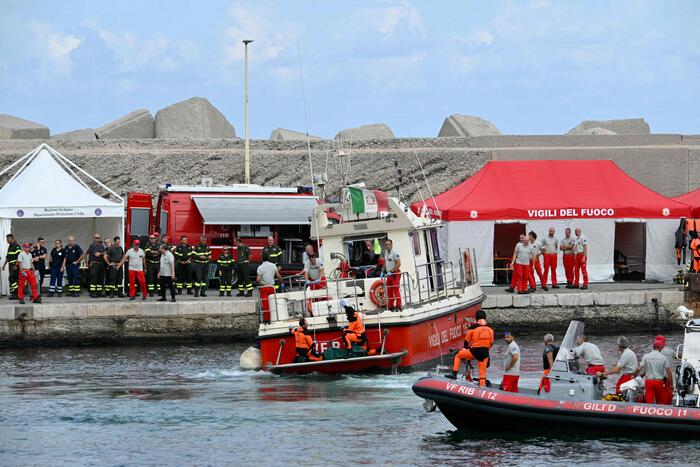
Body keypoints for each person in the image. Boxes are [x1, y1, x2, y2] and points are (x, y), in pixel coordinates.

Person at [447, 310, 494, 387]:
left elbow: (466, 342)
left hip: (475, 351)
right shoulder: (490, 329)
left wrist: (466, 349)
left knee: (457, 355)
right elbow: (491, 343)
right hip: (485, 352)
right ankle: (482, 386)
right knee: (482, 373)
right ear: (485, 318)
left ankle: (454, 374)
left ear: (476, 318)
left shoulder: (472, 328)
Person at [636, 335, 673, 405]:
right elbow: (669, 373)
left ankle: (648, 413)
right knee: (661, 402)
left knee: (649, 402)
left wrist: (634, 375)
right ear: (660, 347)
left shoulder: (646, 356)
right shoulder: (663, 357)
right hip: (659, 382)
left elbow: (639, 368)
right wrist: (671, 385)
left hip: (649, 382)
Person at [257, 252, 283, 324]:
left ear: (262, 258)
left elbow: (258, 280)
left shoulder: (260, 267)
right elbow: (278, 276)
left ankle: (267, 320)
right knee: (273, 303)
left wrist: (263, 283)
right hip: (272, 287)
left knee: (266, 305)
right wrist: (281, 281)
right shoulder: (273, 266)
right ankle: (275, 318)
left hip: (264, 288)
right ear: (268, 258)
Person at [382, 238, 402, 311]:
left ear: (392, 245)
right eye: (386, 245)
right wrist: (382, 272)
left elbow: (398, 263)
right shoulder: (386, 252)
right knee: (389, 290)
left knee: (396, 290)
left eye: (389, 245)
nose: (387, 246)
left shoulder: (395, 253)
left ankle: (398, 306)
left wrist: (391, 271)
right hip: (389, 274)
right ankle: (390, 306)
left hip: (395, 274)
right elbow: (385, 263)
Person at [86, 234, 106, 298]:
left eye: (99, 238)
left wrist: (101, 253)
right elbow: (96, 254)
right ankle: (92, 292)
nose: (98, 239)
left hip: (101, 264)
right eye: (96, 238)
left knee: (100, 279)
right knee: (94, 279)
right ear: (94, 238)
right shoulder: (92, 246)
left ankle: (99, 292)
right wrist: (101, 253)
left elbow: (105, 253)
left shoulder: (101, 245)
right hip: (94, 264)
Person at [2, 234, 21, 299]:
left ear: (12, 238)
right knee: (13, 280)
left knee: (12, 279)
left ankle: (17, 293)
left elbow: (19, 256)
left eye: (8, 239)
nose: (7, 240)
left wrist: (16, 265)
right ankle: (14, 294)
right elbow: (8, 257)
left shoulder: (16, 246)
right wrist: (4, 265)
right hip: (10, 265)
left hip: (14, 265)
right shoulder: (10, 246)